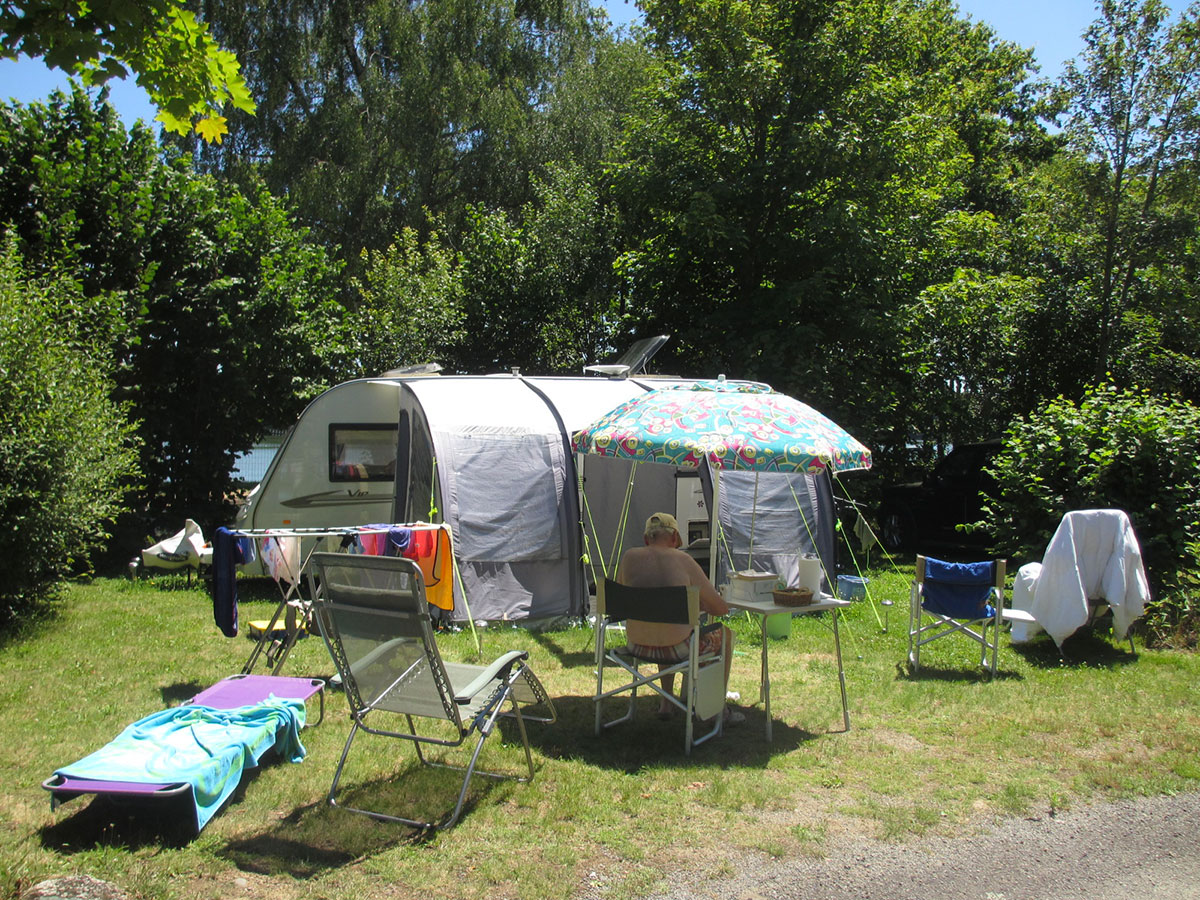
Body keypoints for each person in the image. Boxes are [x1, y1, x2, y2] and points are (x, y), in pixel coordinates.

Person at [616, 512, 744, 726]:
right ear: (675, 537)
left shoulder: (629, 557)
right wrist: (698, 605)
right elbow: (720, 609)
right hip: (678, 648)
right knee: (725, 635)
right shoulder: (684, 560)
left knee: (659, 622)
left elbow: (622, 599)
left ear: (647, 539)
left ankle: (666, 702)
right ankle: (715, 709)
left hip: (636, 645)